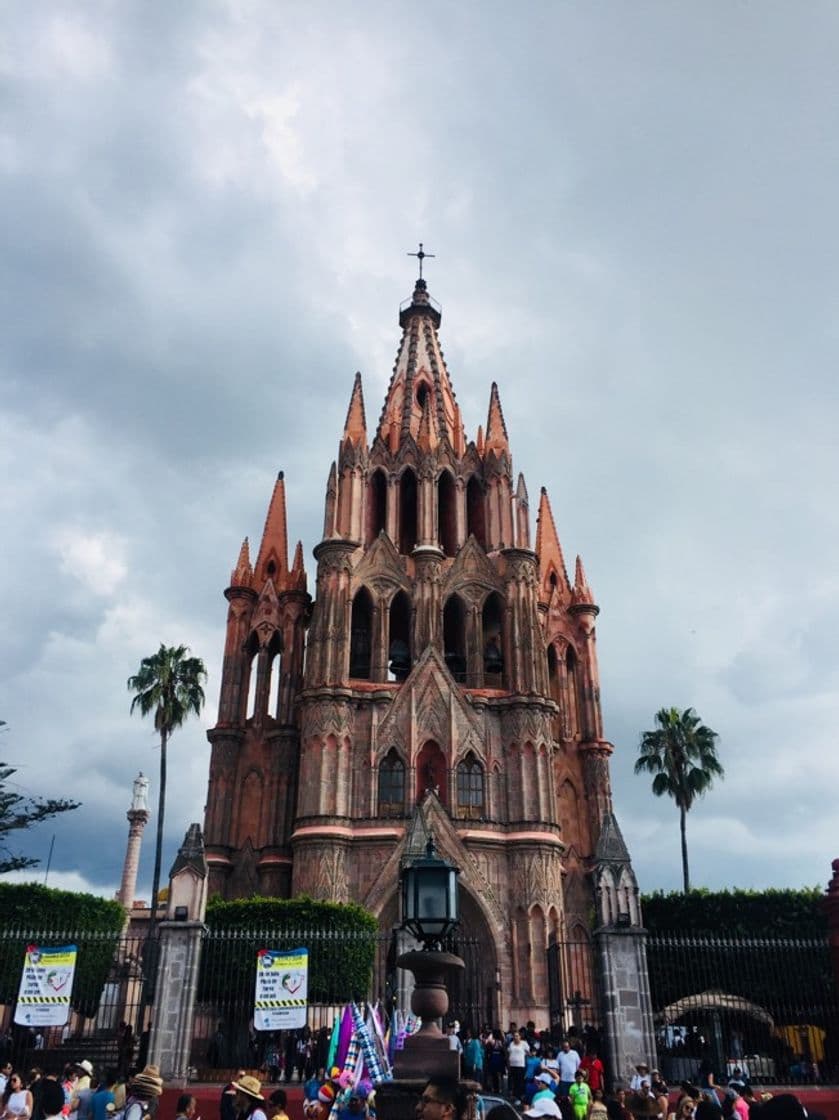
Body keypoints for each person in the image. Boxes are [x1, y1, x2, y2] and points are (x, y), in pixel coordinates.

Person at [507, 1031, 530, 1104]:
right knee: (514, 1081)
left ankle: (519, 1097)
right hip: (512, 1066)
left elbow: (528, 1053)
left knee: (519, 1082)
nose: (515, 1037)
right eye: (514, 1036)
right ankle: (514, 1096)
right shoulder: (511, 1044)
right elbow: (509, 1053)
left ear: (520, 1037)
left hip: (520, 1065)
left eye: (517, 1036)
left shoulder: (524, 1044)